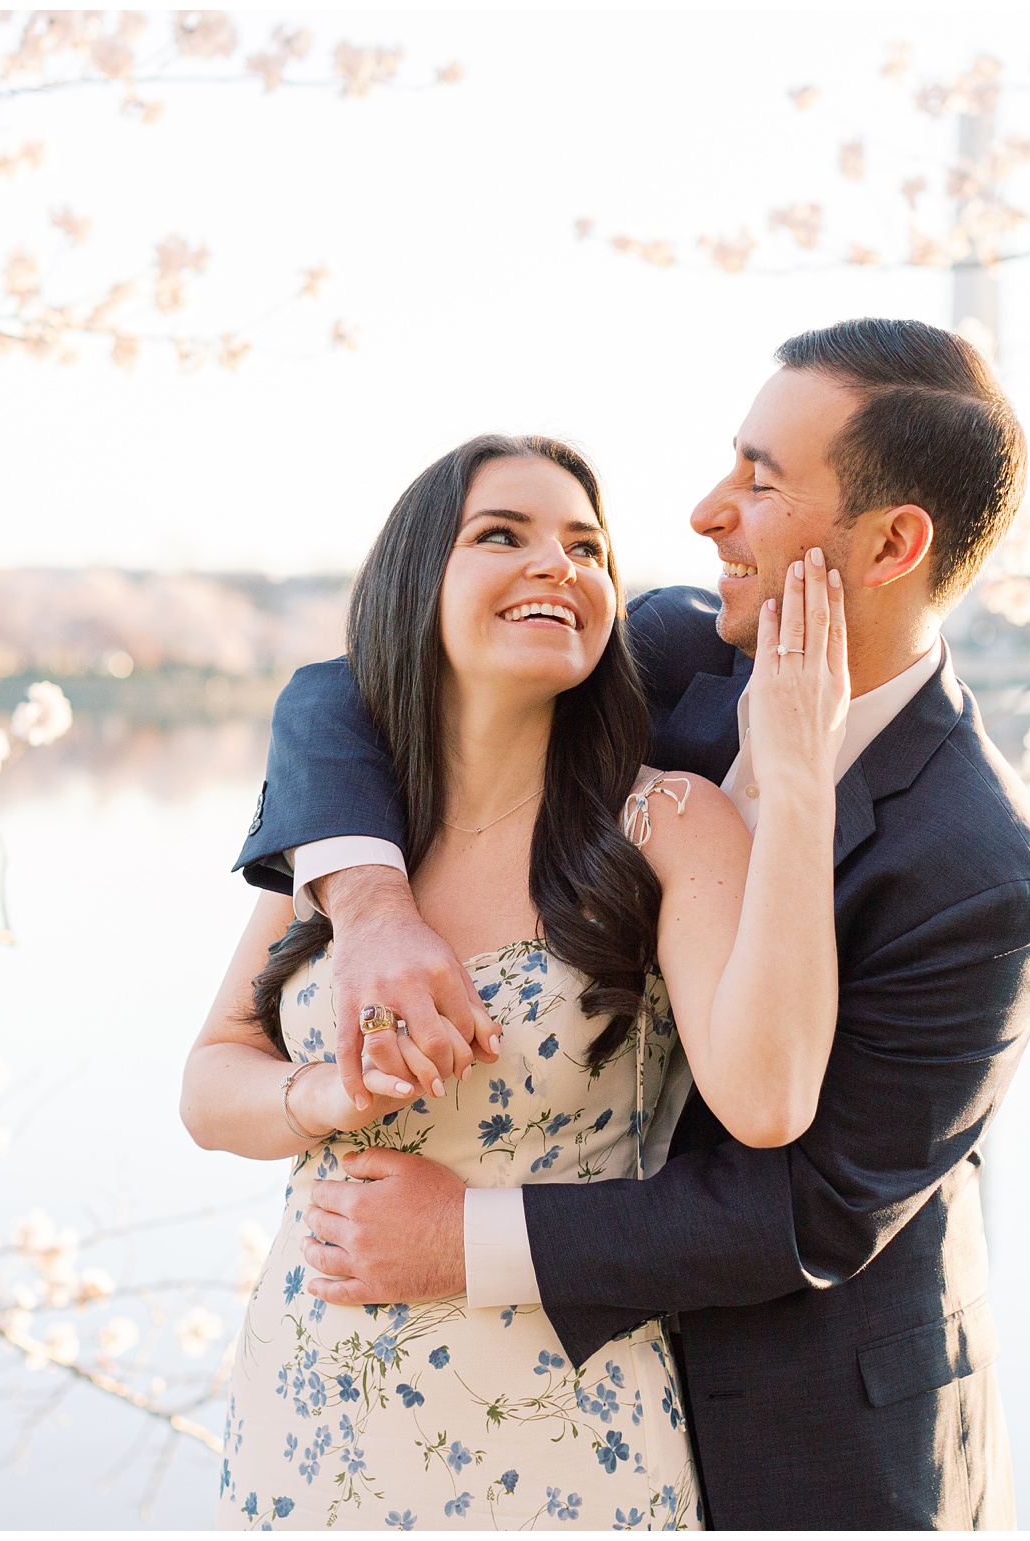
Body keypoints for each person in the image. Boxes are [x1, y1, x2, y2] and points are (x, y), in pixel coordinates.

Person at [234, 319, 1030, 1529]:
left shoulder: (983, 878)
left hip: (807, 1432)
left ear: (891, 543)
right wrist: (367, 906)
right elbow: (350, 690)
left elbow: (805, 1206)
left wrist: (452, 1239)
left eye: (758, 481)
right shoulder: (675, 654)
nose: (703, 511)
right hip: (473, 1404)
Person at [182, 433, 858, 1529]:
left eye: (586, 547)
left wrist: (794, 783)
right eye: (502, 534)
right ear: (417, 581)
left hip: (551, 1438)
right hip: (305, 1410)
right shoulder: (346, 837)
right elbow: (210, 1081)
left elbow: (769, 1098)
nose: (558, 563)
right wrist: (323, 1098)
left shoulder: (664, 824)